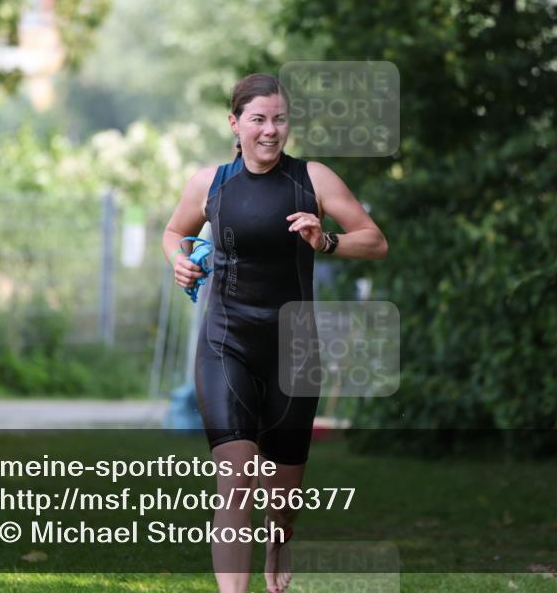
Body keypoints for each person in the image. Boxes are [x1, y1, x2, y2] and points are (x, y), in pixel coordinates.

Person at [162, 73, 388, 593]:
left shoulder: (312, 179)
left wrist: (325, 241)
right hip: (226, 343)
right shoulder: (210, 184)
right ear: (235, 123)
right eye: (259, 119)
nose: (270, 130)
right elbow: (175, 232)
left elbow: (374, 241)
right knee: (236, 483)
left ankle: (279, 539)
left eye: (280, 119)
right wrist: (179, 260)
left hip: (294, 350)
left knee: (282, 499)